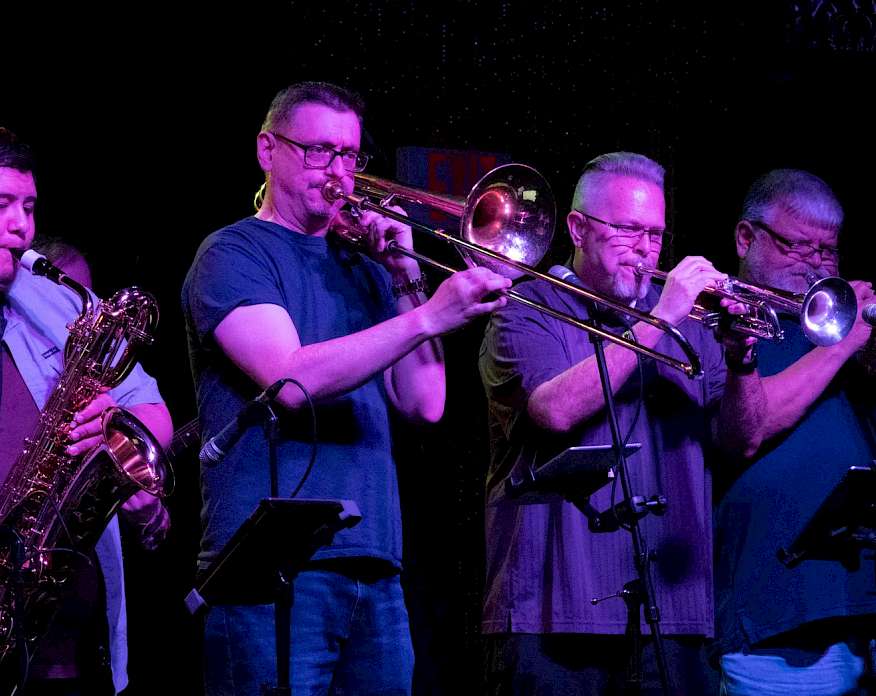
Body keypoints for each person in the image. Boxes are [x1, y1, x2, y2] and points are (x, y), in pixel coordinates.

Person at [181, 81, 510, 695]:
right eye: (317, 152)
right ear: (266, 150)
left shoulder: (366, 268)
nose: (338, 172)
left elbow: (425, 403)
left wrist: (407, 275)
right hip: (269, 568)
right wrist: (428, 316)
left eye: (349, 155)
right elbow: (289, 379)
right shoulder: (232, 253)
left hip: (373, 559)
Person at [478, 151, 760, 695]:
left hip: (673, 615)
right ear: (579, 229)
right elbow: (552, 409)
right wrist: (661, 320)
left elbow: (742, 441)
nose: (646, 250)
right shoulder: (523, 308)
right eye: (629, 230)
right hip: (551, 612)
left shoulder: (692, 323)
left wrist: (742, 359)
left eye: (655, 234)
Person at [0, 127, 172, 695]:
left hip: (71, 647)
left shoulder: (60, 298)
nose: (21, 225)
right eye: (2, 205)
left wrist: (114, 427)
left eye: (28, 206)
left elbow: (152, 411)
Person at [713, 169, 876, 695]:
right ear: (746, 238)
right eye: (797, 245)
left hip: (856, 607)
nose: (814, 266)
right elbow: (749, 429)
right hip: (772, 619)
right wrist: (844, 346)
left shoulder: (840, 328)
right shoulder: (719, 320)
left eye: (826, 252)